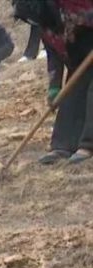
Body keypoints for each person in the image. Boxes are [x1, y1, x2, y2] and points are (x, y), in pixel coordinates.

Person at [34, 0, 93, 164]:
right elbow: (54, 55)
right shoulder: (46, 24)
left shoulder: (78, 6)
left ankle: (88, 145)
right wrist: (54, 86)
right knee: (72, 90)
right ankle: (63, 146)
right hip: (79, 55)